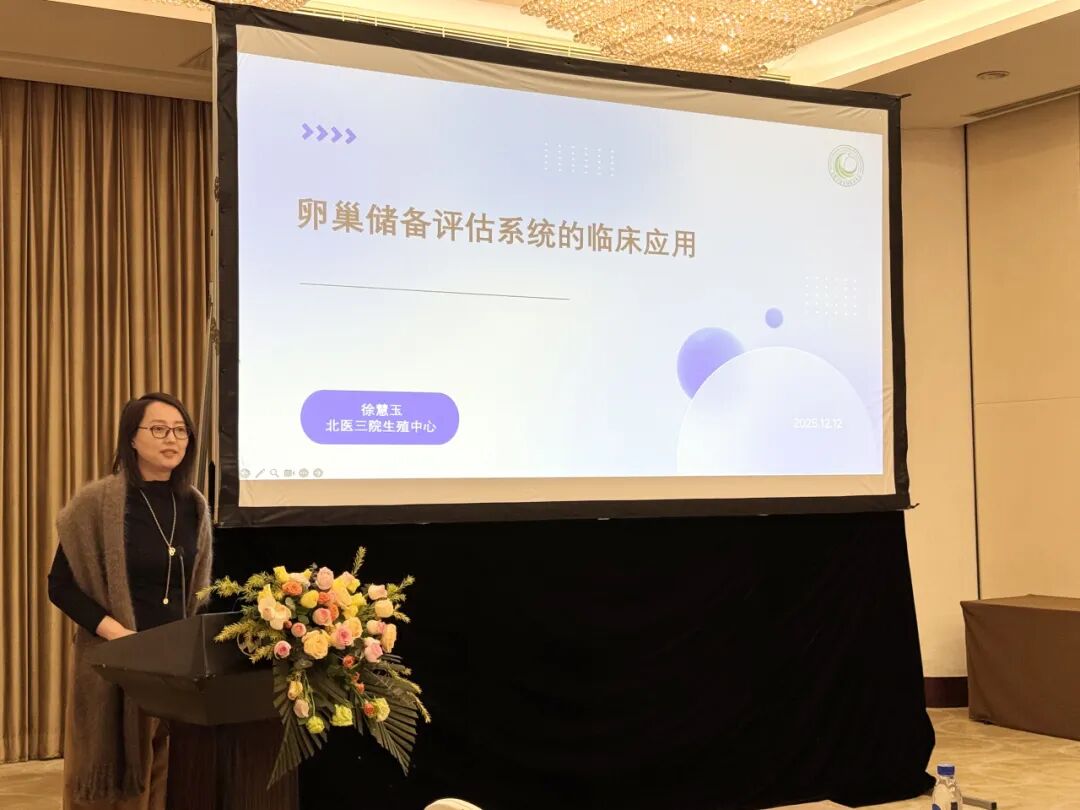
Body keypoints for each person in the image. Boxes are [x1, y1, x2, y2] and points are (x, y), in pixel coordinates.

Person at [48, 392, 213, 810]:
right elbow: (60, 586)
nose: (172, 439)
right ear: (132, 439)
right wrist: (119, 637)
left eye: (180, 431)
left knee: (168, 782)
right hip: (117, 665)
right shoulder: (96, 504)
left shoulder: (194, 505)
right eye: (159, 429)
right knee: (117, 792)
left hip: (176, 671)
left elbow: (196, 591)